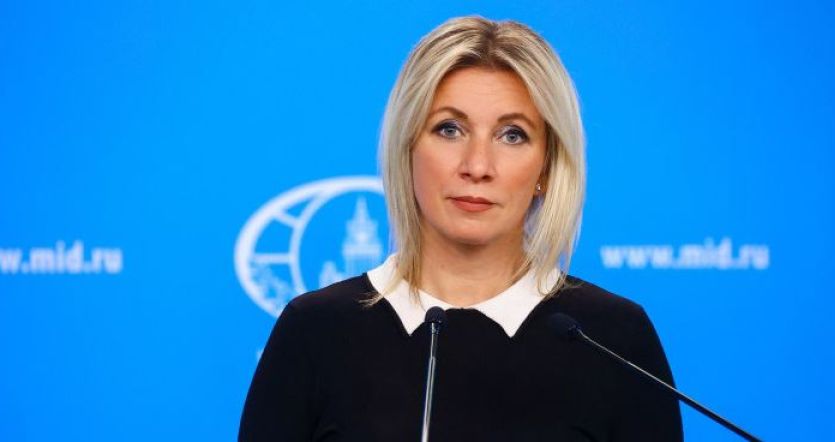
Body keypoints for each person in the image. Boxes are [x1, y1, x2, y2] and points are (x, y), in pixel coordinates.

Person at [239, 16, 683, 441]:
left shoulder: (613, 338)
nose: (477, 165)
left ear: (547, 167)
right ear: (407, 148)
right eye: (449, 129)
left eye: (512, 135)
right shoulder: (315, 330)